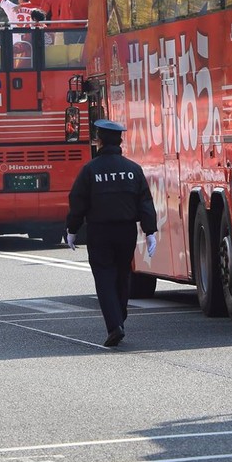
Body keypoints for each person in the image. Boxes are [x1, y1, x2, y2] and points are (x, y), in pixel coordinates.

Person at [65, 119, 158, 347]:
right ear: (121, 141)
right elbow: (145, 201)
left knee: (104, 277)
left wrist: (72, 229)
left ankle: (114, 324)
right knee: (122, 275)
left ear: (98, 141)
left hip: (99, 231)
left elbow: (78, 202)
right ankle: (121, 315)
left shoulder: (90, 170)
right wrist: (150, 231)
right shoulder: (132, 169)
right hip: (126, 231)